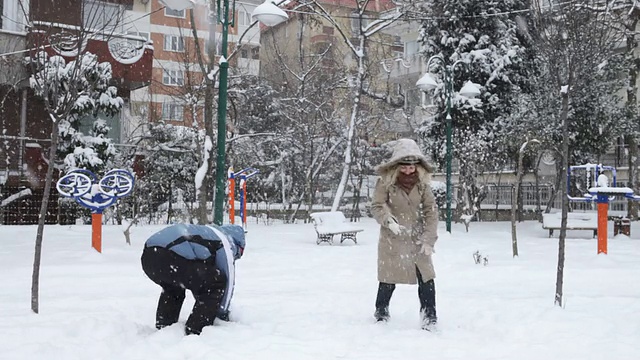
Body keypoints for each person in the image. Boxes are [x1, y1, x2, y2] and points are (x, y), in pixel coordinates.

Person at [370, 138, 439, 330]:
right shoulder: (385, 183)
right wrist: (388, 221)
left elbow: (431, 212)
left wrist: (428, 239)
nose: (409, 170)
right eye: (404, 167)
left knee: (426, 278)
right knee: (388, 277)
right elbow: (377, 206)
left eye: (412, 166)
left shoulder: (423, 185)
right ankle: (381, 311)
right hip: (393, 238)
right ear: (396, 165)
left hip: (417, 239)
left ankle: (429, 316)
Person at [141, 223, 246, 335]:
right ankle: (196, 329)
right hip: (169, 256)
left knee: (174, 288)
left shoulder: (207, 233)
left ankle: (165, 327)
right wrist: (222, 312)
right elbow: (227, 279)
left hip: (149, 257)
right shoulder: (224, 241)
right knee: (216, 282)